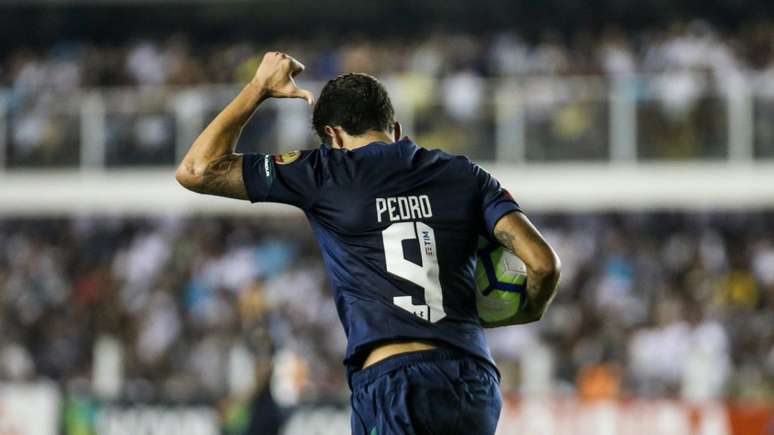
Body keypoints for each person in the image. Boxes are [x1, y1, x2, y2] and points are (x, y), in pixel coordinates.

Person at [176, 52, 561, 435]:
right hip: (474, 383)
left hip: (395, 385)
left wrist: (259, 87)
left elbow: (197, 170)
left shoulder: (324, 172)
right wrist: (525, 312)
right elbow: (544, 264)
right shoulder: (465, 174)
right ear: (394, 127)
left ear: (334, 135)